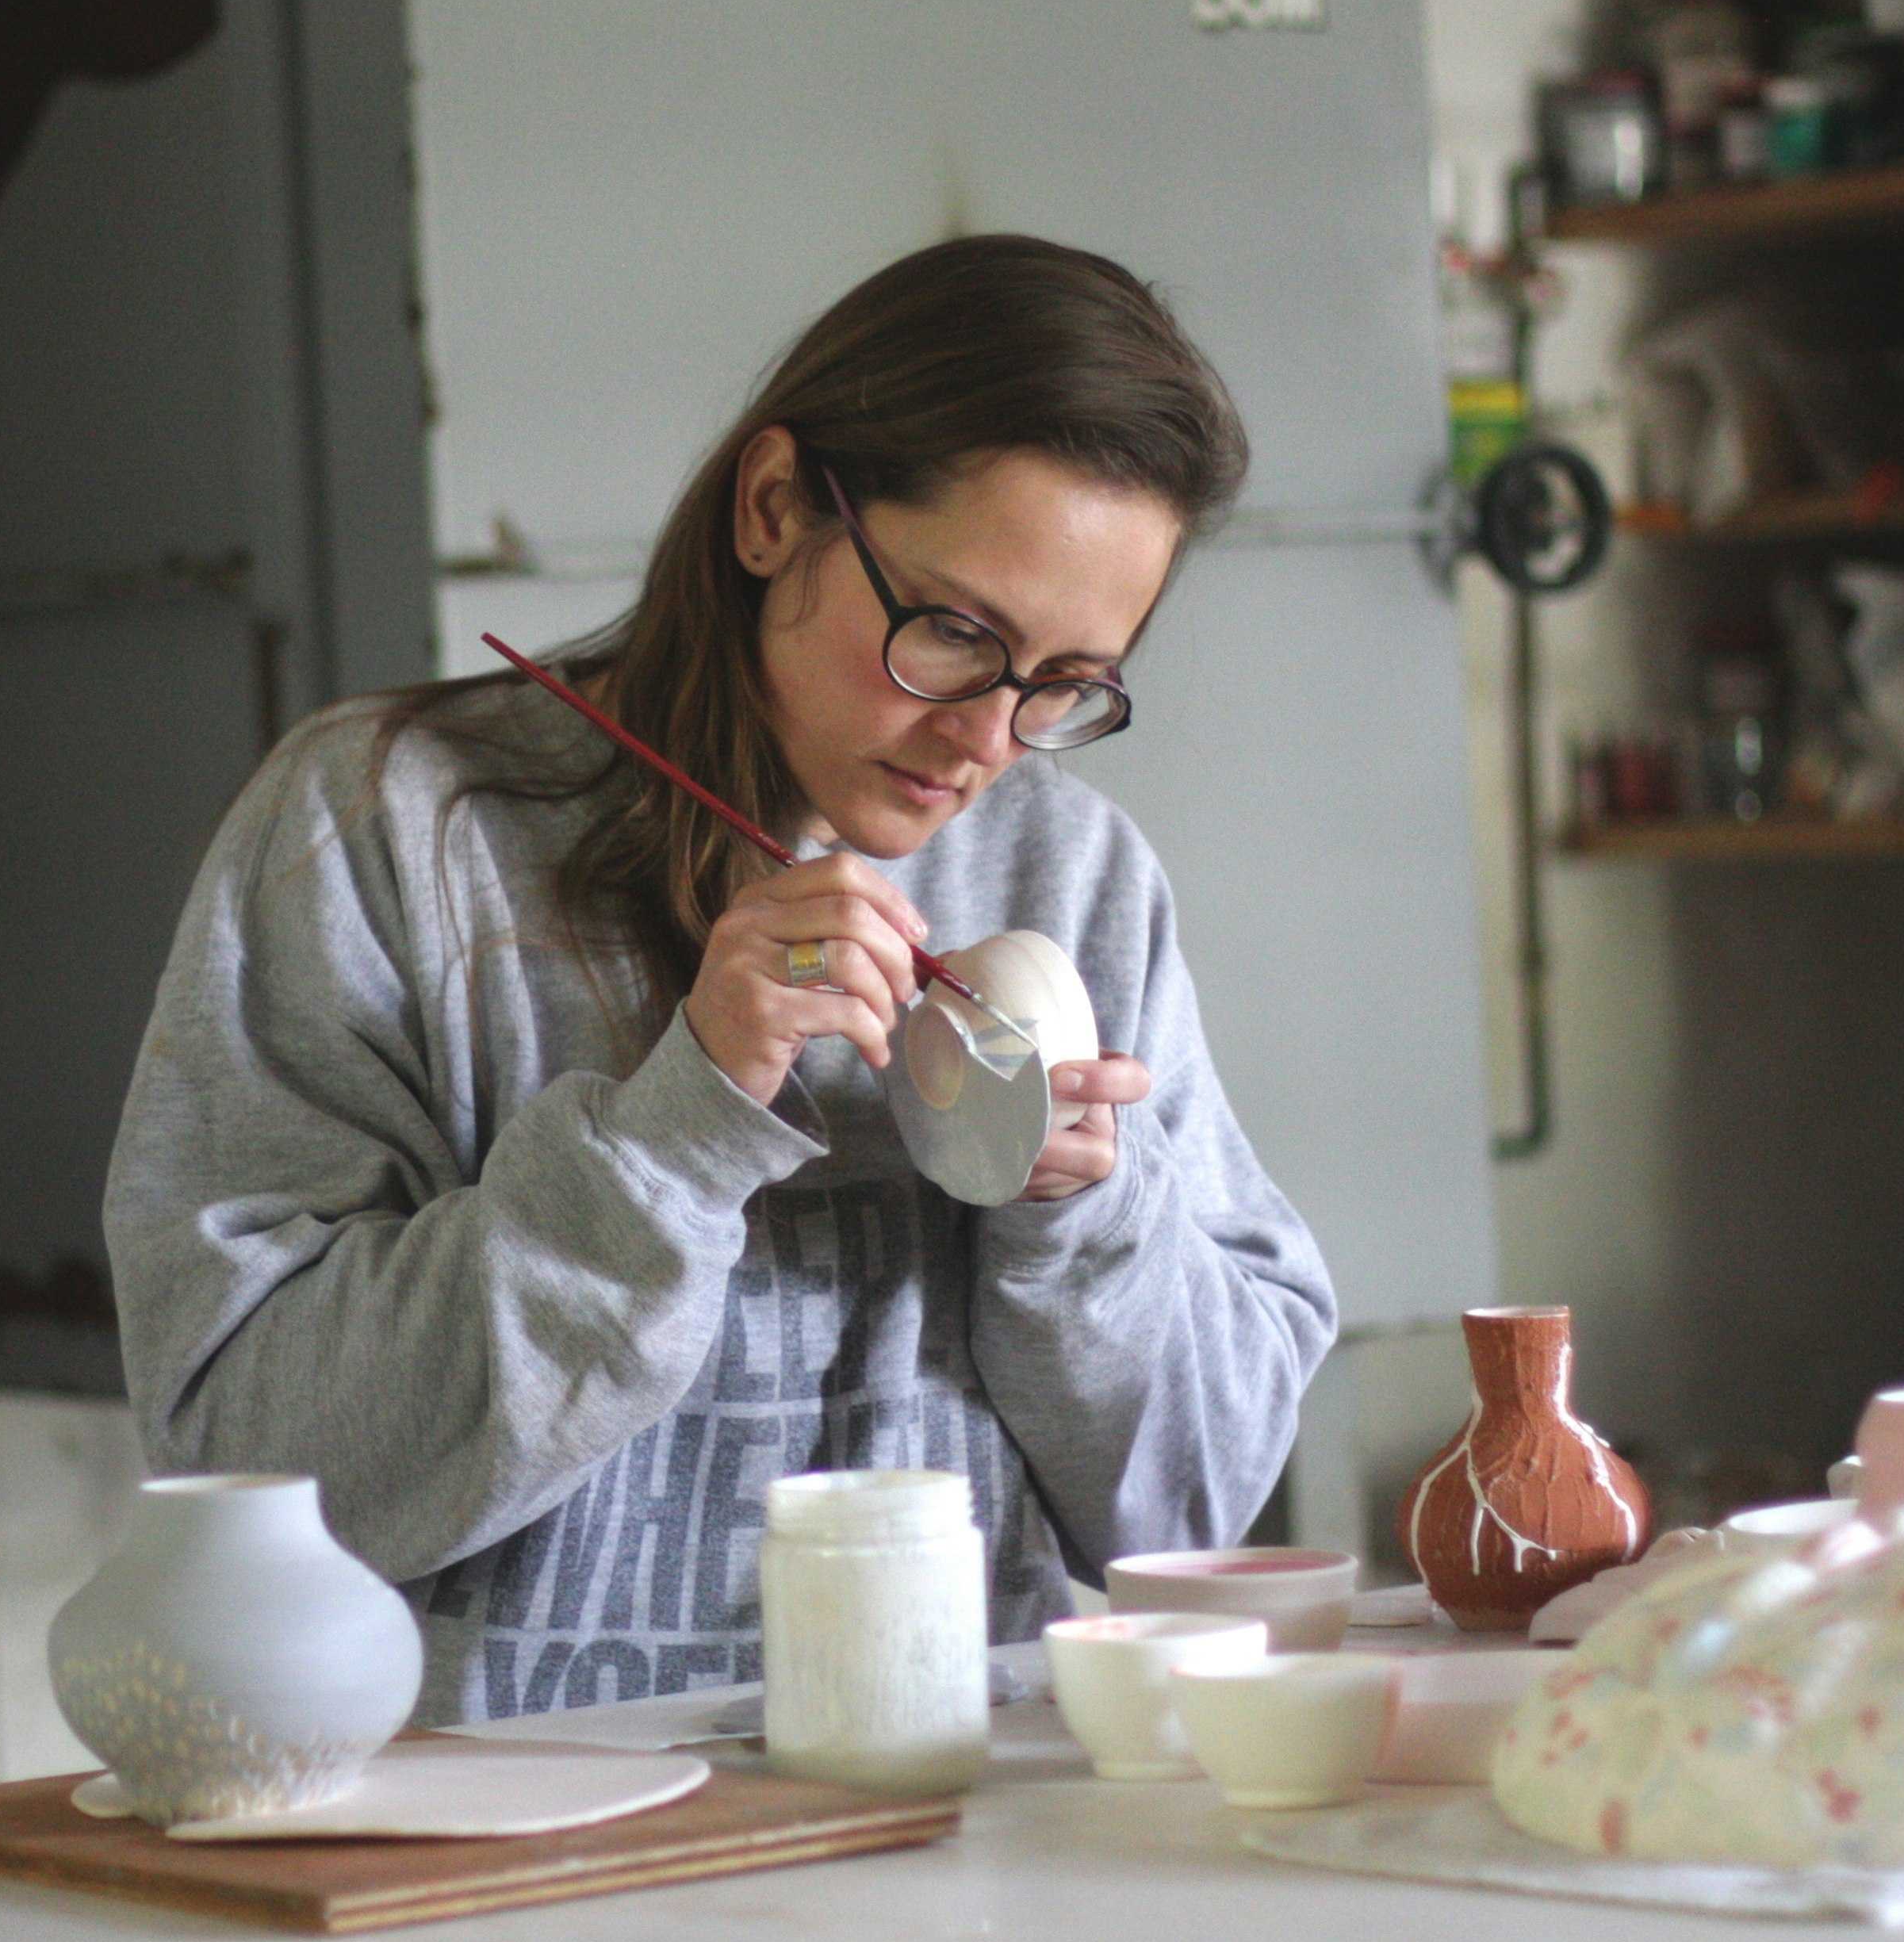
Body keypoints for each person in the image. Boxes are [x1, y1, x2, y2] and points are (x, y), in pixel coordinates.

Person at [105, 234, 1335, 1722]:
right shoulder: (391, 825)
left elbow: (1187, 1517)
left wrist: (1080, 1221)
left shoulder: (1069, 878)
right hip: (498, 1832)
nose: (989, 739)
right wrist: (671, 1142)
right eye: (955, 633)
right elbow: (248, 1467)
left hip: (958, 1807)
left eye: (1067, 683)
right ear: (771, 509)